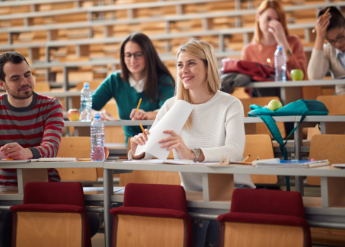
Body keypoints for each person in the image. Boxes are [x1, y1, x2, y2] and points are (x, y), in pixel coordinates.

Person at [129, 39, 255, 247]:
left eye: (191, 63)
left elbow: (235, 152)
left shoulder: (230, 104)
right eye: (180, 64)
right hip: (192, 192)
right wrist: (138, 150)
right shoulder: (172, 106)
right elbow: (151, 152)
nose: (184, 70)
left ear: (208, 67)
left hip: (232, 189)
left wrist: (193, 154)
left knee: (210, 233)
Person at [0, 52, 97, 247]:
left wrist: (28, 153)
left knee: (90, 221)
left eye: (27, 74)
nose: (25, 82)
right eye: (15, 78)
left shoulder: (51, 105)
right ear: (2, 84)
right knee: (8, 225)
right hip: (6, 194)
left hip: (47, 190)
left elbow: (50, 147)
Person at [92, 32, 175, 142]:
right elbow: (85, 109)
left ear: (148, 55)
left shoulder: (164, 81)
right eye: (128, 55)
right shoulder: (114, 80)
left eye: (138, 54)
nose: (132, 60)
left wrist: (147, 115)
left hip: (159, 144)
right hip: (131, 147)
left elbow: (169, 112)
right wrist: (98, 114)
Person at [241, 0, 307, 82]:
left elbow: (300, 76)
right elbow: (248, 87)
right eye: (268, 19)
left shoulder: (294, 42)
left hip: (289, 93)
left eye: (278, 20)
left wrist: (283, 42)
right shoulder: (248, 50)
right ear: (258, 17)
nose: (273, 24)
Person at [308, 6, 345, 95]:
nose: (337, 44)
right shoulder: (328, 50)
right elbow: (314, 77)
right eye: (331, 41)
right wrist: (319, 38)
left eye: (340, 37)